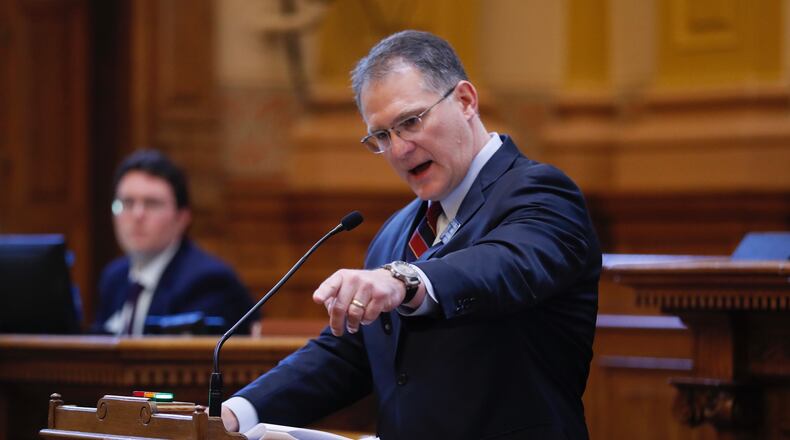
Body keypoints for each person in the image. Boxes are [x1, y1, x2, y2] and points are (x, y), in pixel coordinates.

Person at [223, 30, 601, 439]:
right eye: (382, 136)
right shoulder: (396, 231)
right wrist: (236, 413)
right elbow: (352, 354)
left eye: (411, 121)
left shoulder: (541, 192)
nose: (399, 149)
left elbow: (502, 265)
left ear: (465, 100)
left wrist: (402, 279)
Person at [91, 149, 257, 336]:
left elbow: (183, 360)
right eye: (127, 203)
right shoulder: (113, 278)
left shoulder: (208, 281)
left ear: (182, 218)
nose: (137, 215)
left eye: (152, 203)